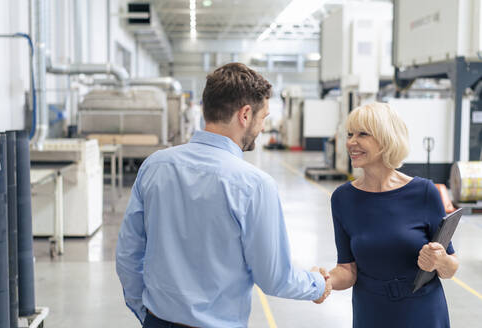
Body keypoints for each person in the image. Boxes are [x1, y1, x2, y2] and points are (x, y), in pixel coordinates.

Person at [116, 63, 332, 328]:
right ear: (245, 115)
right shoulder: (255, 185)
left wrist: (146, 312)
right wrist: (318, 284)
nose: (262, 128)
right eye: (262, 118)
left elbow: (128, 254)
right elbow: (276, 278)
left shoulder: (155, 166)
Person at [327, 102, 459, 328]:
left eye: (362, 134)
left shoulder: (424, 192)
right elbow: (347, 270)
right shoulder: (342, 199)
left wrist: (440, 260)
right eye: (350, 134)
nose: (351, 142)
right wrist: (322, 281)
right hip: (372, 312)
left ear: (386, 139)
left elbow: (450, 267)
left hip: (422, 311)